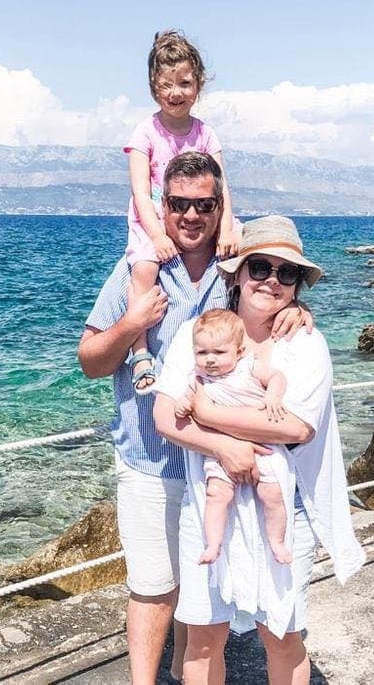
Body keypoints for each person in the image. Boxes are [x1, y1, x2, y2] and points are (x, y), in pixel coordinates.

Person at [78, 152, 308, 684]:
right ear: (162, 205)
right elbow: (90, 361)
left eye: (204, 204)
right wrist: (129, 325)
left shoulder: (233, 269)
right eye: (178, 204)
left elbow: (267, 294)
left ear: (219, 205)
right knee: (154, 588)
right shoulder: (137, 271)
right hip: (149, 458)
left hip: (217, 470)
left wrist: (294, 310)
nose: (190, 216)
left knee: (199, 597)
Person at [153, 214, 365, 684]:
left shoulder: (304, 343)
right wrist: (223, 447)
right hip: (210, 503)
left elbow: (295, 427)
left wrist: (207, 415)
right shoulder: (201, 336)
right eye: (260, 267)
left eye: (286, 273)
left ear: (296, 286)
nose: (272, 280)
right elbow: (164, 418)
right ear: (238, 272)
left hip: (285, 507)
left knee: (281, 634)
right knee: (204, 635)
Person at [124, 30, 240, 396]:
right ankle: (140, 351)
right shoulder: (146, 132)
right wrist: (157, 237)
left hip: (205, 212)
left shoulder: (206, 133)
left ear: (199, 84)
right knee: (143, 270)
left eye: (185, 83)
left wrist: (225, 230)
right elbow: (141, 191)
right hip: (152, 219)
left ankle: (239, 341)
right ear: (153, 87)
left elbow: (223, 187)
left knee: (245, 252)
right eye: (167, 84)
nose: (176, 93)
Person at [173, 308, 293, 566]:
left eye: (219, 352)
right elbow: (186, 398)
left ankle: (277, 540)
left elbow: (277, 377)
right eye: (202, 353)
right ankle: (213, 544)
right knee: (216, 494)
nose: (210, 360)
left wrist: (272, 395)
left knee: (272, 494)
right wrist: (183, 404)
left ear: (239, 352)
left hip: (262, 445)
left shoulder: (248, 367)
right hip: (220, 450)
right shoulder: (198, 378)